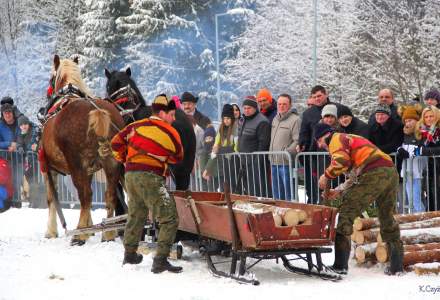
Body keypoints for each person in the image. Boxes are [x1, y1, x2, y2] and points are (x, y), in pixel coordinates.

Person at [315, 123, 403, 275]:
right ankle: (397, 265)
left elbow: (341, 162)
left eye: (319, 142)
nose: (320, 145)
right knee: (386, 216)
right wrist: (339, 190)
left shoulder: (335, 139)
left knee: (346, 213)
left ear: (323, 136)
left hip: (374, 173)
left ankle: (340, 265)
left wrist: (326, 175)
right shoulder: (349, 139)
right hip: (390, 171)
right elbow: (356, 173)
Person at [111, 94, 184, 273]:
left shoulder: (135, 126)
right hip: (151, 176)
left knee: (136, 214)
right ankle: (160, 260)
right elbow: (178, 156)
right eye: (172, 115)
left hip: (130, 175)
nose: (174, 119)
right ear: (162, 113)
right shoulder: (170, 132)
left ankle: (129, 254)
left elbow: (115, 143)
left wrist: (125, 159)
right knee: (170, 217)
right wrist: (160, 157)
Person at [296, 85, 341, 203]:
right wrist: (301, 144)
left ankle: (332, 207)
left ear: (326, 94)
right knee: (315, 184)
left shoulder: (337, 108)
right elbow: (304, 132)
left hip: (334, 155)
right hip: (315, 154)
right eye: (314, 97)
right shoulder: (308, 114)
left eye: (319, 96)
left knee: (333, 184)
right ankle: (315, 205)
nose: (317, 99)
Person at [237, 96, 271, 197]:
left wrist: (257, 162)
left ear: (255, 108)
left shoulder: (262, 121)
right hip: (244, 161)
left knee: (258, 190)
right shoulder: (244, 120)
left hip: (256, 163)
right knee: (248, 190)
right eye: (245, 108)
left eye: (249, 108)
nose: (246, 110)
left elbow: (263, 144)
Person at [269, 94, 300, 200]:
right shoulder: (275, 119)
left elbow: (297, 140)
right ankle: (279, 214)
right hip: (274, 162)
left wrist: (286, 152)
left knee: (289, 195)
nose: (281, 106)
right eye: (279, 104)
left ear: (290, 105)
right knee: (277, 195)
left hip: (286, 163)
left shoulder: (295, 120)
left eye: (284, 104)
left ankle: (291, 214)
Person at [396, 105, 426, 213]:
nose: (408, 123)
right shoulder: (405, 133)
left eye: (410, 120)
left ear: (416, 120)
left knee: (416, 198)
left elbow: (423, 149)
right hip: (407, 171)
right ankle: (414, 217)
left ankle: (421, 217)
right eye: (406, 121)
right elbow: (400, 145)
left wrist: (411, 153)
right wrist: (400, 150)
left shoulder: (421, 132)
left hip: (417, 171)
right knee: (410, 198)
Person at [203, 104, 239, 191]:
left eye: (228, 118)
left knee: (233, 186)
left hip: (234, 161)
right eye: (224, 118)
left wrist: (220, 149)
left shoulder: (235, 128)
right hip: (224, 162)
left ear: (232, 118)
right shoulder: (221, 129)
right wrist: (207, 169)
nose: (226, 121)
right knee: (224, 187)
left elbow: (235, 147)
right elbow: (215, 147)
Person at [414, 105, 440, 211]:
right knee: (430, 194)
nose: (429, 119)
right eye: (426, 117)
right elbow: (419, 147)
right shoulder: (422, 131)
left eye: (431, 116)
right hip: (428, 168)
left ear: (437, 116)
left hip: (438, 167)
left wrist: (425, 151)